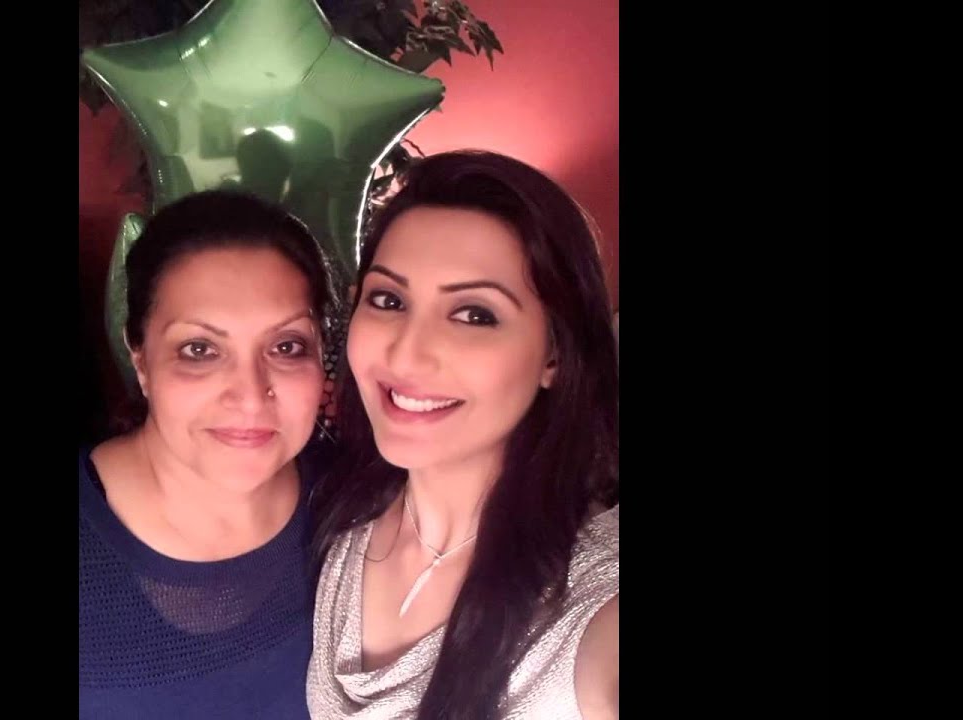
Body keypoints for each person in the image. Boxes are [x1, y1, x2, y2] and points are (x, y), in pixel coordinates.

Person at [307, 151, 620, 719]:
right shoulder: (336, 516)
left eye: (475, 314)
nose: (407, 354)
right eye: (389, 300)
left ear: (554, 354)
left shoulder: (595, 599)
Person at [79, 189, 340, 718]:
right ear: (140, 358)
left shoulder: (361, 506)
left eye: (287, 346)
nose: (250, 395)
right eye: (200, 350)